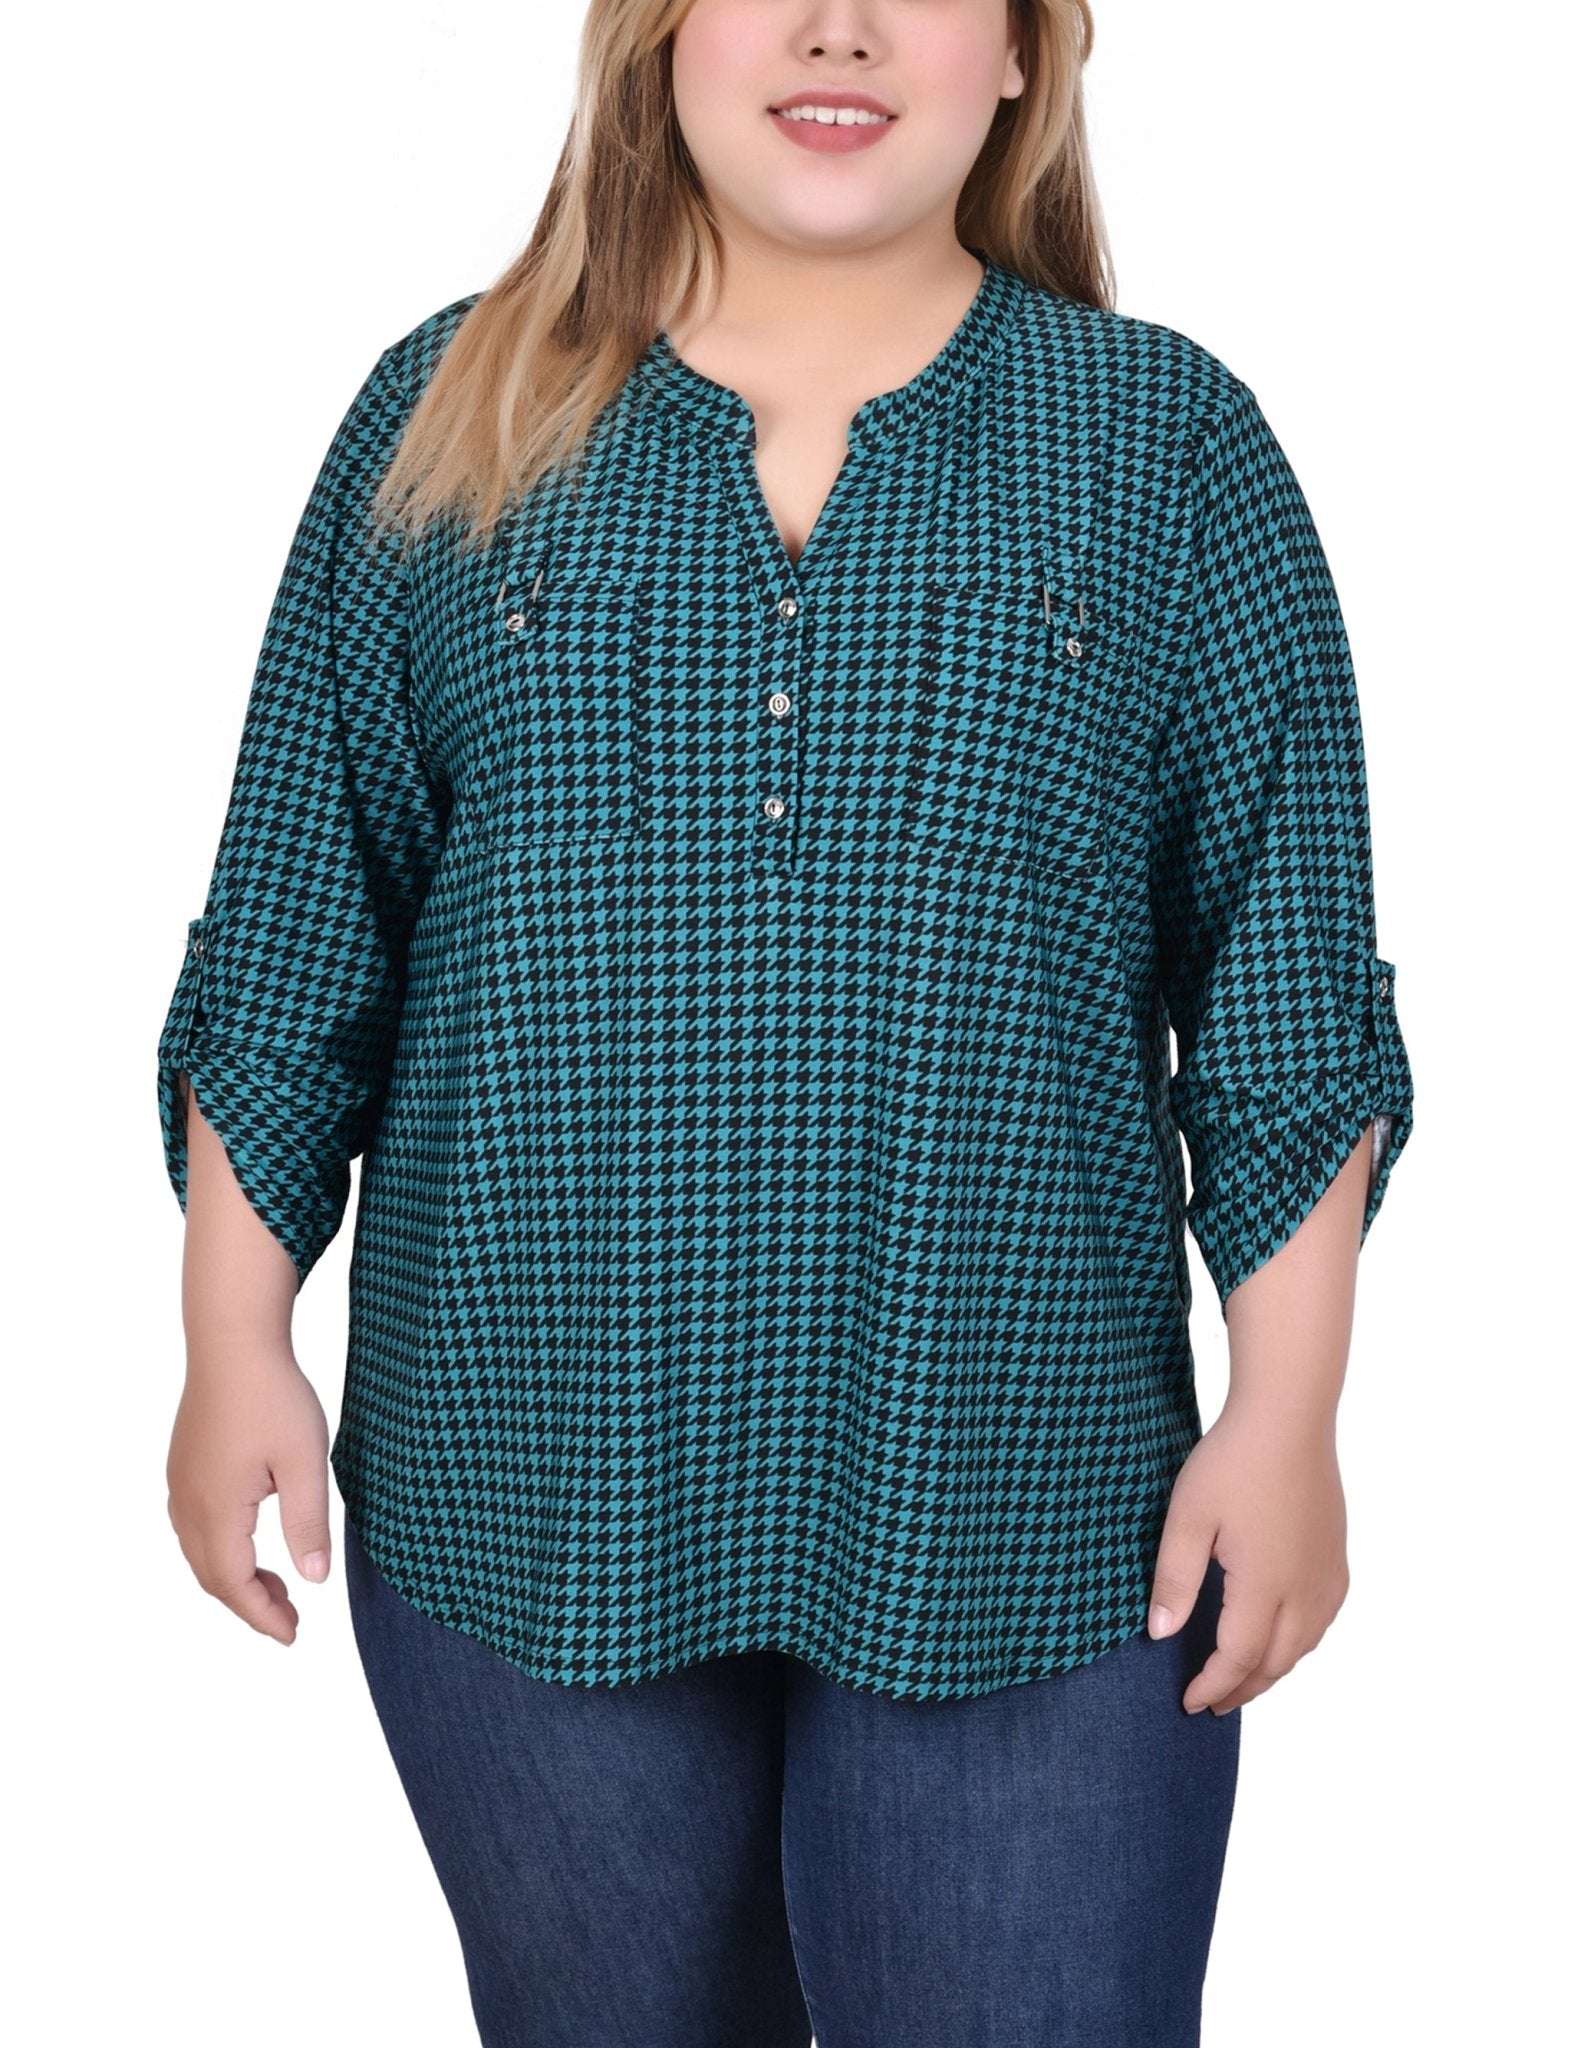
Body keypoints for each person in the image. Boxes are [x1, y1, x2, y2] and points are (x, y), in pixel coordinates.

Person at [157, 2, 1415, 2043]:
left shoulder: (1168, 449)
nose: (840, 24)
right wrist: (234, 1337)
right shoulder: (451, 416)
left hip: (1032, 1500)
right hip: (525, 1486)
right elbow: (302, 932)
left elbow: (1283, 984)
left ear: (1024, 51)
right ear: (656, 34)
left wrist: (1290, 1416)